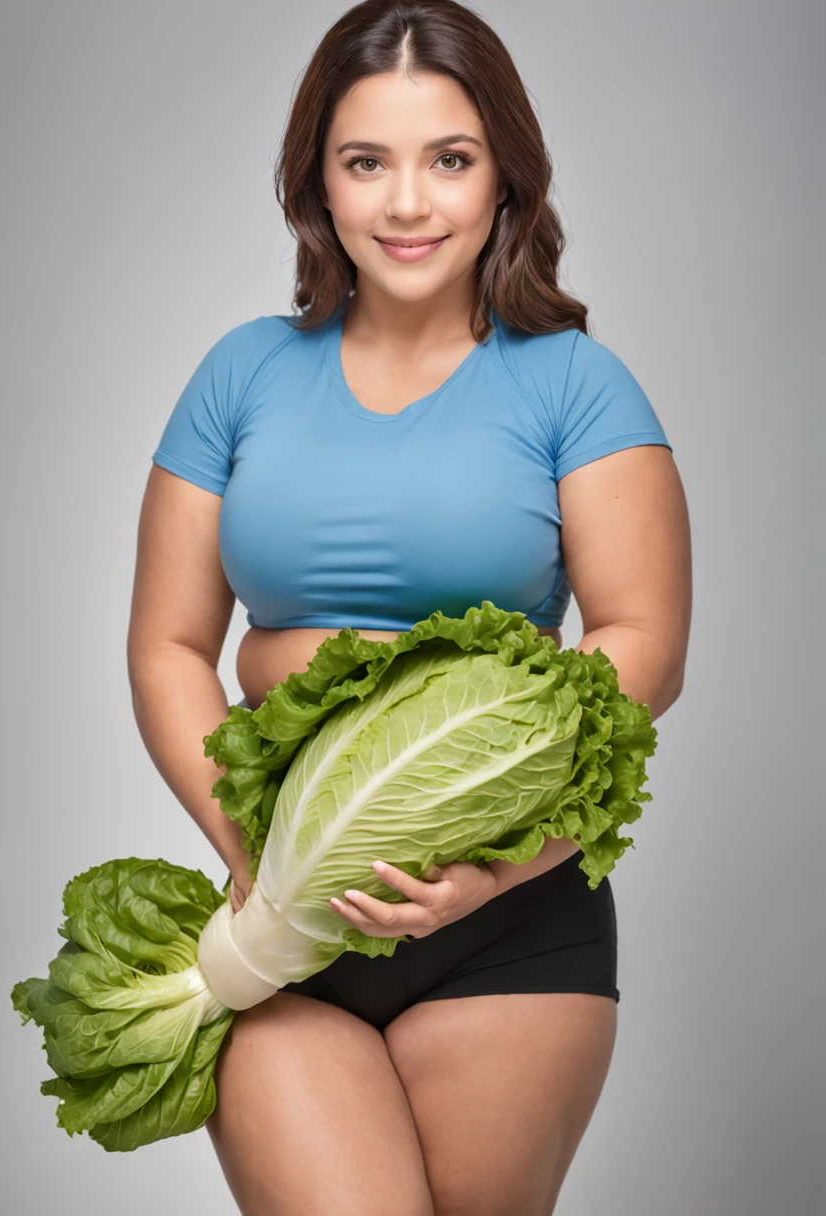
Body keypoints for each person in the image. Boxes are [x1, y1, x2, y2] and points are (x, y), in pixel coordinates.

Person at [127, 1, 691, 1212]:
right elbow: (170, 644)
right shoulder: (240, 374)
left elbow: (642, 643)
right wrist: (262, 859)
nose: (405, 203)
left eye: (449, 159)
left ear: (505, 179)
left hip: (511, 925)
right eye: (364, 161)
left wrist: (490, 870)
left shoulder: (576, 385)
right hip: (282, 923)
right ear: (316, 185)